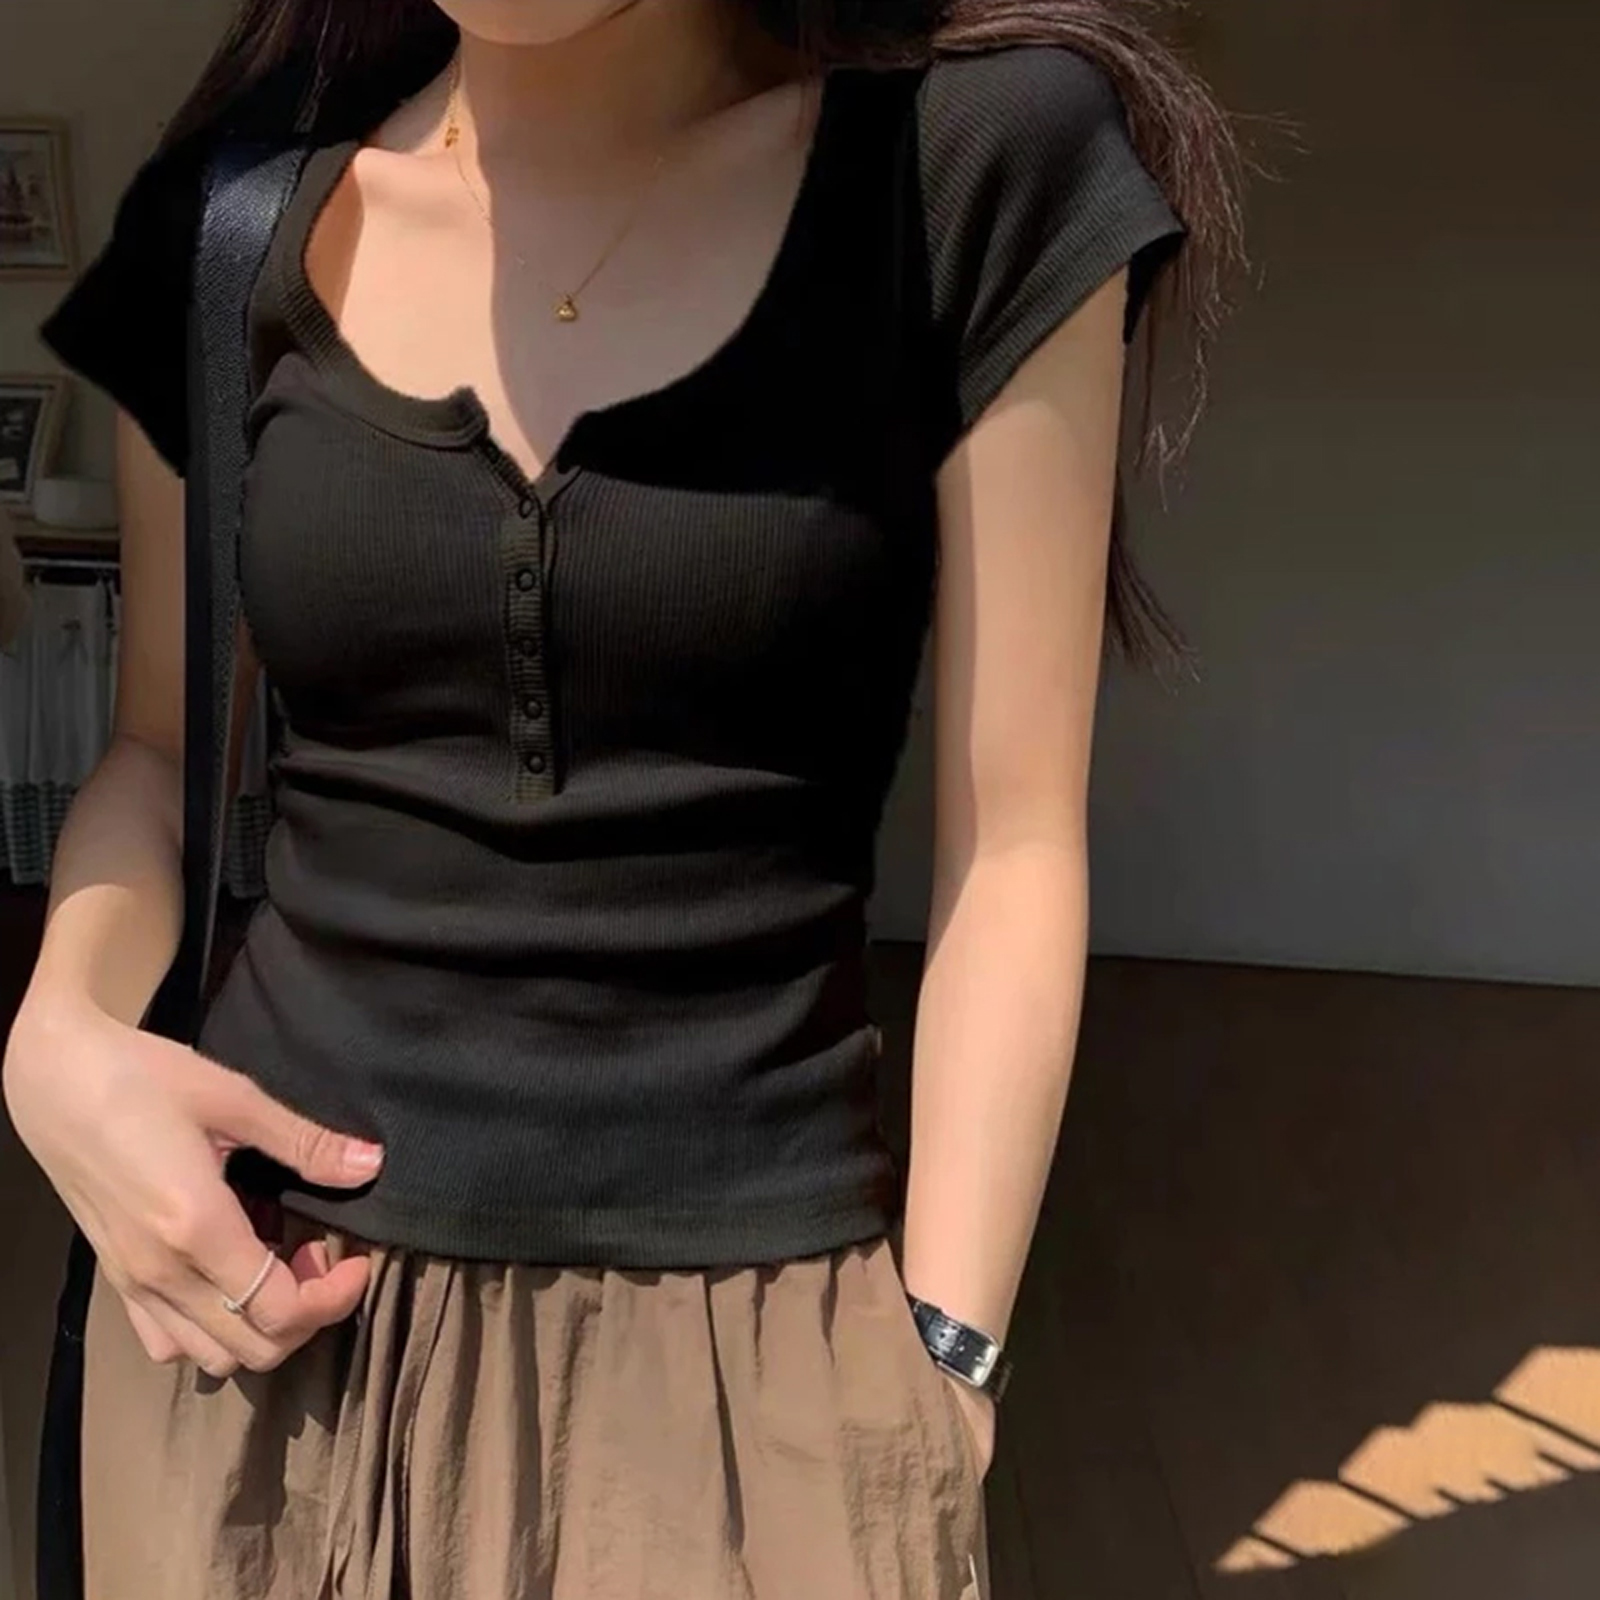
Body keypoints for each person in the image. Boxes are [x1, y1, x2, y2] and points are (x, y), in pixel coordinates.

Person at [4, 1, 1241, 1595]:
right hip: (260, 1333)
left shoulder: (971, 169)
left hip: (751, 1343)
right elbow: (158, 753)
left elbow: (1015, 843)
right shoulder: (229, 222)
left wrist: (947, 1365)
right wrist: (56, 1037)